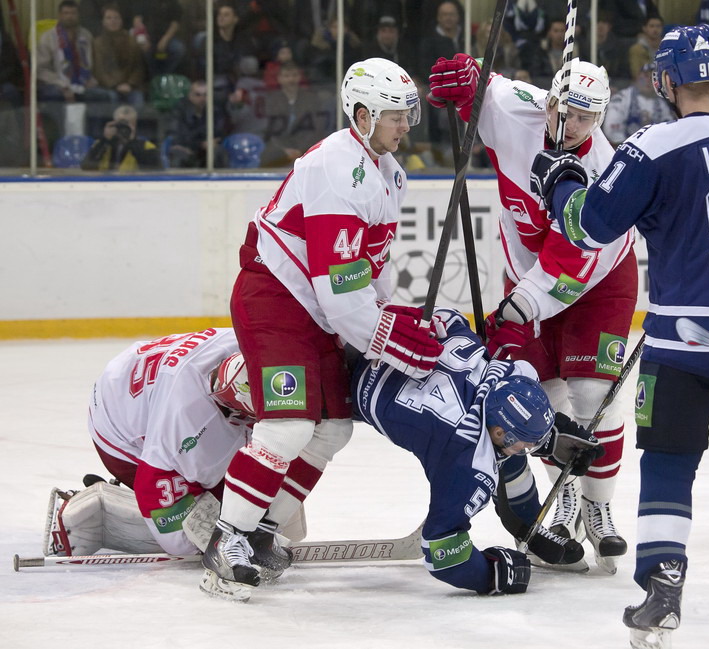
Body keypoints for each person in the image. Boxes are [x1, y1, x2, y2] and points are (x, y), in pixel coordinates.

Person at [530, 24, 709, 646]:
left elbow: (591, 226)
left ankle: (662, 591)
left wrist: (557, 178)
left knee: (669, 462)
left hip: (689, 342)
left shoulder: (652, 147)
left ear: (666, 80)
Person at [199, 57, 441, 602]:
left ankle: (261, 529)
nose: (407, 125)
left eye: (410, 113)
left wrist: (387, 316)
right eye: (396, 116)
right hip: (276, 301)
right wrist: (389, 340)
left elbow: (362, 271)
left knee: (333, 429)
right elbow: (339, 293)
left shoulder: (386, 170)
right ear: (362, 115)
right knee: (287, 427)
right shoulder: (337, 168)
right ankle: (227, 538)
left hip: (314, 308)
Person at [429, 54, 637, 574]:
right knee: (537, 396)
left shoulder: (602, 173)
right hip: (526, 276)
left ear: (602, 117)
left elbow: (570, 266)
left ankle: (598, 506)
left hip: (598, 283)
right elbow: (485, 84)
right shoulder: (514, 110)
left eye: (586, 119)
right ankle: (562, 494)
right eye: (564, 113)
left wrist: (520, 307)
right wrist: (465, 81)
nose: (571, 127)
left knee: (593, 397)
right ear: (548, 101)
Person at [352, 308, 603, 595]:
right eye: (526, 442)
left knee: (507, 455)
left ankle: (528, 526)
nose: (530, 449)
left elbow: (450, 318)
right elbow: (442, 551)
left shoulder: (499, 373)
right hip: (345, 379)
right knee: (506, 456)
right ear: (499, 431)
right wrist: (490, 573)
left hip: (368, 331)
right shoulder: (466, 459)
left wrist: (551, 434)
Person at [44, 327, 296, 583]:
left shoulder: (248, 343)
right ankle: (101, 513)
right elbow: (154, 489)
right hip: (118, 430)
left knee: (273, 510)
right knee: (197, 539)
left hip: (134, 384)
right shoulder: (188, 420)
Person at [602, 62, 675, 146]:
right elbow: (611, 131)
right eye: (646, 76)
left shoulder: (661, 104)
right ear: (637, 78)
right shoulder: (622, 98)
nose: (649, 81)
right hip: (624, 150)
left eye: (653, 77)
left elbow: (669, 131)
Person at [92, 4, 146, 109]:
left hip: (130, 86)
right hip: (108, 87)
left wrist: (130, 84)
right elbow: (99, 70)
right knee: (112, 98)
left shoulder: (132, 41)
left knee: (138, 99)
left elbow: (139, 67)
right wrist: (115, 85)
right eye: (109, 18)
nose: (113, 21)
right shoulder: (97, 43)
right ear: (103, 21)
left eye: (116, 18)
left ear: (121, 21)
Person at [81, 104, 162, 170]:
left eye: (127, 123)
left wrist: (132, 142)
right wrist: (104, 140)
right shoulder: (101, 144)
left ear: (134, 125)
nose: (123, 127)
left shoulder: (146, 147)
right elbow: (86, 167)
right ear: (114, 123)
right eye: (120, 123)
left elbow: (156, 169)